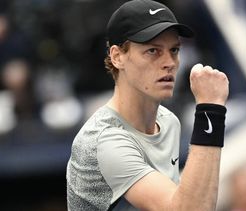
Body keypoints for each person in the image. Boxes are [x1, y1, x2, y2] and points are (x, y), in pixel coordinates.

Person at [66, 0, 229, 210]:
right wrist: (210, 109)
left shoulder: (169, 122)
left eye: (174, 50)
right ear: (117, 57)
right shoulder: (103, 142)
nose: (169, 62)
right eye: (153, 51)